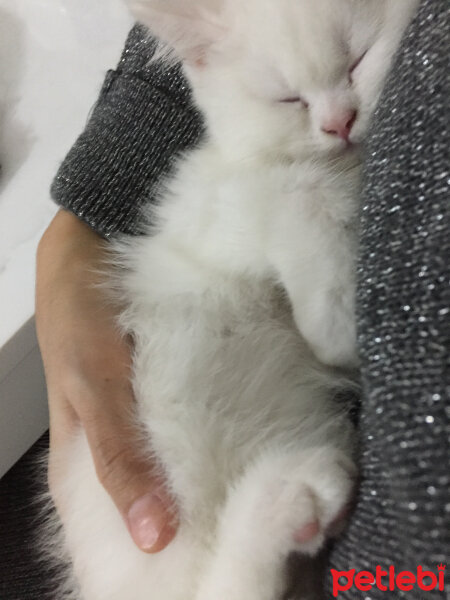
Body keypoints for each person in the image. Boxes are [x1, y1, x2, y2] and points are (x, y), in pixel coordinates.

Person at [34, 0, 448, 597]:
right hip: (177, 405)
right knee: (161, 476)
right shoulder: (247, 178)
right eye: (288, 101)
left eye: (356, 63)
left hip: (323, 497)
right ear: (201, 69)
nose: (336, 118)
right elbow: (329, 328)